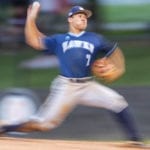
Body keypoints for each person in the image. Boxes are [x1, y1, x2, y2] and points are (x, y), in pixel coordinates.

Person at [0, 4, 145, 147]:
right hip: (66, 86)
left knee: (117, 102)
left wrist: (119, 69)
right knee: (43, 123)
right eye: (80, 16)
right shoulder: (59, 39)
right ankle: (5, 128)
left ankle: (135, 140)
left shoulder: (95, 38)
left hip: (88, 85)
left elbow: (114, 51)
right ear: (70, 19)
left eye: (85, 17)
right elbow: (33, 41)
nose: (83, 19)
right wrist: (31, 19)